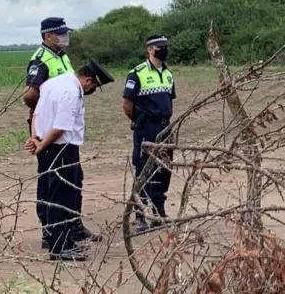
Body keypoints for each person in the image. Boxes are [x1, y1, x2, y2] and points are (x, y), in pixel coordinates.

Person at [22, 17, 100, 249]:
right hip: (50, 128)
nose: (65, 36)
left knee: (73, 180)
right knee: (52, 182)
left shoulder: (62, 56)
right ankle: (51, 231)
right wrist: (41, 127)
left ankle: (72, 226)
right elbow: (30, 95)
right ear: (47, 36)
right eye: (60, 33)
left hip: (62, 126)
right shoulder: (41, 60)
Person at [31, 61, 114, 261]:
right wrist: (41, 145)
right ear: (88, 80)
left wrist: (35, 139)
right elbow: (61, 126)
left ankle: (61, 240)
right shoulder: (71, 91)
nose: (91, 90)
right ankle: (60, 247)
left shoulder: (54, 83)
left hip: (46, 143)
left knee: (52, 194)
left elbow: (36, 113)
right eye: (93, 86)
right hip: (61, 148)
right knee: (62, 198)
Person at [122, 35, 177, 232]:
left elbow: (169, 101)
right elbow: (127, 105)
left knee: (164, 170)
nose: (164, 49)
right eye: (159, 47)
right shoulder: (136, 73)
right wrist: (139, 121)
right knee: (144, 170)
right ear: (150, 50)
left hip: (165, 128)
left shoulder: (168, 73)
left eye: (165, 46)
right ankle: (140, 215)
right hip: (146, 128)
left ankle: (159, 212)